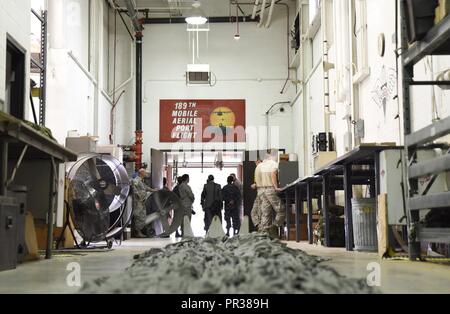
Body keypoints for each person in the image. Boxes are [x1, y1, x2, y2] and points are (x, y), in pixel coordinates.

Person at [253, 151, 284, 238]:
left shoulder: (259, 166)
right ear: (271, 156)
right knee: (281, 210)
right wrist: (276, 187)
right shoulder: (273, 163)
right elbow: (273, 174)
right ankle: (274, 227)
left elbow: (257, 181)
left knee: (265, 214)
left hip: (261, 191)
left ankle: (263, 235)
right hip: (270, 189)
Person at [132, 169, 157, 238]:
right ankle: (137, 232)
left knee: (142, 216)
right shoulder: (136, 181)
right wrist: (140, 196)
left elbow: (146, 187)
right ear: (141, 173)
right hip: (138, 202)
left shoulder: (141, 181)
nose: (146, 173)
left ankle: (139, 231)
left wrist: (153, 190)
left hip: (142, 201)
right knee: (138, 216)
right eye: (145, 172)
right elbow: (134, 191)